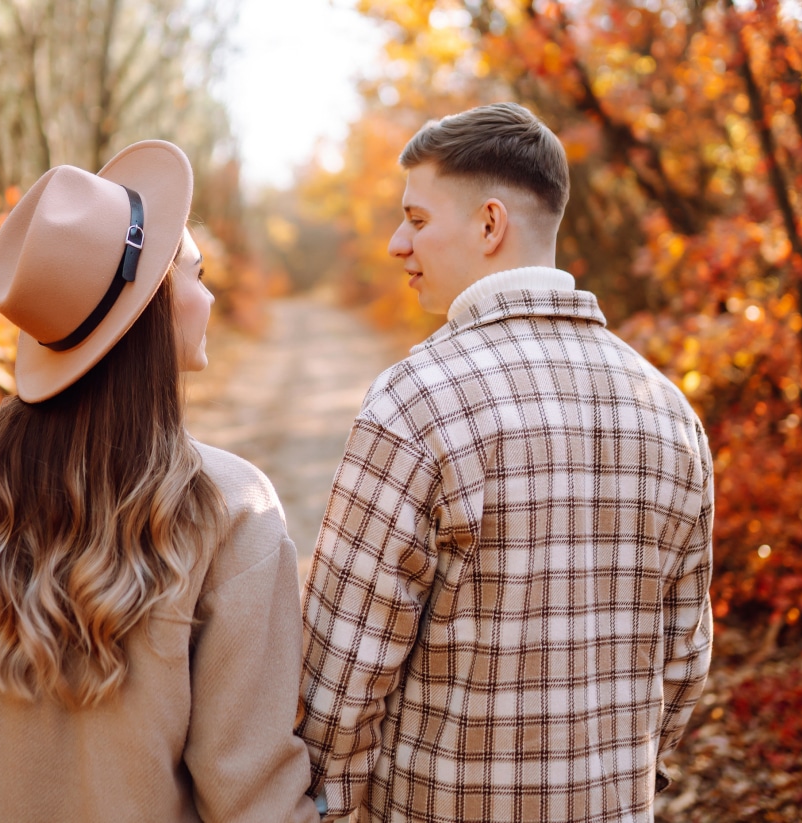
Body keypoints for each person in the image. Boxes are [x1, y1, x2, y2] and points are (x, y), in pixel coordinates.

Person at [297, 103, 714, 822]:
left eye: (418, 220)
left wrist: (333, 805)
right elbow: (683, 662)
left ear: (490, 224)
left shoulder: (417, 399)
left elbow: (339, 674)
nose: (398, 243)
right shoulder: (670, 410)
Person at [0, 140, 319, 823]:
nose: (209, 296)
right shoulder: (230, 507)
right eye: (197, 275)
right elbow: (252, 796)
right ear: (153, 308)